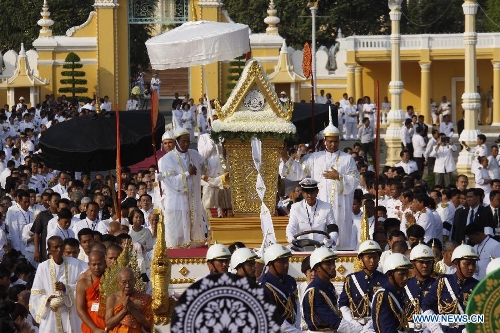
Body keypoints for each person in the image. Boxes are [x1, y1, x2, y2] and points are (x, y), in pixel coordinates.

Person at [280, 116, 359, 248]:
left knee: (340, 239)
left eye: (335, 141)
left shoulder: (347, 159)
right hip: (320, 206)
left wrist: (339, 177)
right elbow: (299, 172)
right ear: (324, 141)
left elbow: (355, 181)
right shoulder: (314, 158)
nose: (333, 144)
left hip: (341, 207)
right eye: (330, 141)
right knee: (320, 238)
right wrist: (286, 158)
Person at [157, 127, 206, 248]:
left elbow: (206, 166)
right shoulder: (167, 159)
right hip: (176, 203)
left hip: (193, 201)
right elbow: (171, 182)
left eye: (188, 141)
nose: (186, 144)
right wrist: (188, 173)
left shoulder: (194, 154)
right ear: (177, 141)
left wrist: (221, 156)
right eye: (183, 141)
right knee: (177, 237)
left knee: (193, 236)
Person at [29, 236, 87, 333]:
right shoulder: (43, 267)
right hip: (51, 314)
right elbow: (36, 293)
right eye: (55, 247)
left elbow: (85, 285)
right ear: (49, 250)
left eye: (61, 246)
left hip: (72, 313)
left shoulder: (77, 264)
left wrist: (67, 288)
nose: (59, 250)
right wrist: (48, 299)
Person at [303, 246, 364, 332]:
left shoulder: (328, 286)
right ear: (317, 268)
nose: (333, 267)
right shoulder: (315, 292)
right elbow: (332, 320)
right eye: (328, 264)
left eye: (333, 263)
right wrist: (360, 330)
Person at [421, 244, 479, 333]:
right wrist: (435, 328)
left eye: (473, 264)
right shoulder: (443, 282)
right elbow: (426, 304)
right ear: (456, 264)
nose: (471, 268)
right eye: (467, 264)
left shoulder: (478, 286)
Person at [339, 240, 387, 329]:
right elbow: (343, 304)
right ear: (361, 258)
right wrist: (352, 322)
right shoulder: (351, 280)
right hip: (357, 326)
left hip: (377, 325)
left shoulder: (385, 279)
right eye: (368, 257)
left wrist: (374, 323)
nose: (372, 261)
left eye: (375, 257)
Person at [285, 178, 337, 247]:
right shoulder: (295, 208)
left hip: (322, 246)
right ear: (303, 193)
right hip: (301, 246)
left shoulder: (327, 207)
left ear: (317, 192)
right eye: (306, 192)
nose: (309, 195)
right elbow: (291, 227)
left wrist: (331, 239)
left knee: (333, 251)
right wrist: (291, 237)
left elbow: (333, 228)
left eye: (312, 192)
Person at [260, 244, 300, 332]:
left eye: (287, 261)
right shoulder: (264, 287)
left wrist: (297, 327)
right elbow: (275, 318)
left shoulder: (290, 280)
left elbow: (296, 305)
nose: (286, 265)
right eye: (282, 262)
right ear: (270, 264)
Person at [371, 253, 413, 333]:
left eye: (407, 274)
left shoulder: (401, 291)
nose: (405, 278)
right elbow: (386, 329)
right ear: (390, 275)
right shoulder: (384, 296)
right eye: (401, 274)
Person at [105, 268, 153, 333]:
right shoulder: (113, 299)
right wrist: (124, 310)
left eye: (130, 281)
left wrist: (133, 310)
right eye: (124, 282)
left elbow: (148, 324)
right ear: (118, 283)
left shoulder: (145, 298)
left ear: (135, 281)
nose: (127, 285)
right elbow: (108, 325)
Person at [403, 243, 436, 331]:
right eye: (421, 262)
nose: (425, 266)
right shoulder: (404, 286)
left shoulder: (439, 286)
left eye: (428, 262)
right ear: (412, 263)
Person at [76, 250, 107, 333]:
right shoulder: (83, 282)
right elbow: (80, 309)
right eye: (94, 264)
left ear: (105, 263)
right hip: (90, 326)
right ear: (89, 265)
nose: (96, 267)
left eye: (99, 264)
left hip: (108, 324)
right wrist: (94, 329)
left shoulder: (111, 281)